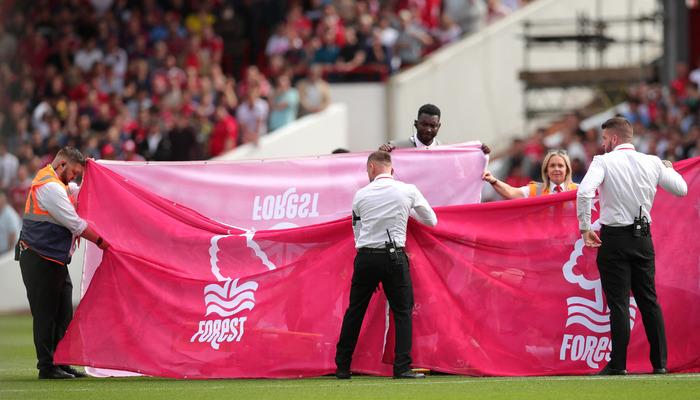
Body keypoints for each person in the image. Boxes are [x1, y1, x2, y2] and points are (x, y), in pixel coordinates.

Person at [577, 117, 687, 375]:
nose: (603, 144)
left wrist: (584, 228)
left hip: (613, 239)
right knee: (649, 301)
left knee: (619, 304)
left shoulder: (603, 161)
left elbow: (584, 192)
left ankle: (618, 365)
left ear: (614, 139)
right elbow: (681, 189)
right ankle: (660, 364)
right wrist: (667, 168)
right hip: (643, 238)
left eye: (604, 139)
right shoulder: (652, 162)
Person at [335, 151, 437, 380]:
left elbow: (357, 230)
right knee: (402, 311)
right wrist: (406, 211)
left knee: (355, 310)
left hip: (366, 257)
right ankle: (401, 367)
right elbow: (431, 220)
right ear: (391, 168)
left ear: (372, 167)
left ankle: (342, 366)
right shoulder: (408, 190)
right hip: (394, 256)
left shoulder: (361, 195)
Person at [16, 147, 110, 379]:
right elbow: (75, 224)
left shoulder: (58, 184)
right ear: (62, 166)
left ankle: (61, 362)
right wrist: (102, 242)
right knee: (46, 315)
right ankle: (47, 367)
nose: (75, 178)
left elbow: (79, 190)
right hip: (40, 258)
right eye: (75, 172)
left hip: (52, 259)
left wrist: (94, 171)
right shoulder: (49, 188)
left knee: (63, 313)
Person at [379, 104, 491, 154]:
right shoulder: (395, 148)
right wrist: (381, 154)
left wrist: (480, 152)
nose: (428, 129)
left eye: (433, 126)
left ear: (439, 126)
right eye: (424, 124)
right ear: (416, 124)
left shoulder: (447, 150)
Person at [482, 150, 578, 199]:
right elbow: (511, 192)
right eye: (552, 166)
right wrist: (493, 181)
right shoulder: (536, 190)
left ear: (567, 170)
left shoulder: (579, 190)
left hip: (574, 237)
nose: (556, 169)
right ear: (546, 171)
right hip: (547, 236)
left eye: (560, 166)